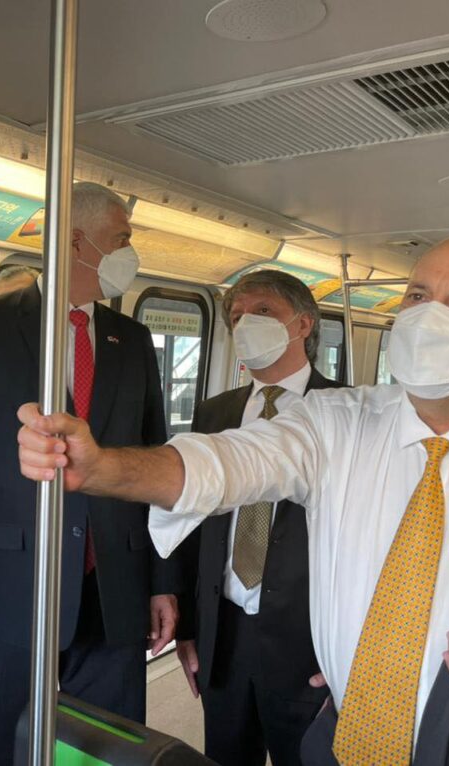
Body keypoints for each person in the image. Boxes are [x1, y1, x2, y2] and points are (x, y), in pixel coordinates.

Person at [18, 232, 449, 764]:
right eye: (417, 296)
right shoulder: (339, 420)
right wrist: (102, 467)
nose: (428, 318)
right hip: (344, 734)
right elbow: (226, 463)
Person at [0, 182, 183, 765]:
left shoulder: (132, 340)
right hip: (8, 586)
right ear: (77, 241)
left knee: (109, 751)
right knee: (2, 746)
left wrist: (161, 582)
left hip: (113, 587)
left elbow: (154, 465)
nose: (130, 253)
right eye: (122, 239)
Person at [174, 269, 342, 766]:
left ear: (304, 324)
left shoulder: (347, 411)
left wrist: (351, 652)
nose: (246, 323)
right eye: (236, 315)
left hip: (309, 637)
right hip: (224, 632)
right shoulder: (214, 412)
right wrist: (189, 627)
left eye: (263, 311)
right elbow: (193, 525)